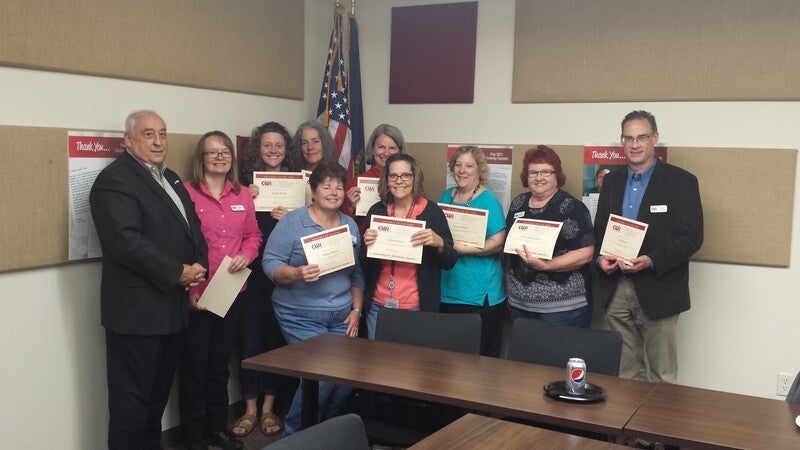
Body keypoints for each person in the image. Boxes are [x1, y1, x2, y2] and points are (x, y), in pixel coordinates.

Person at [90, 110, 208, 450]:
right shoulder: (115, 180)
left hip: (171, 310)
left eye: (163, 133)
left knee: (155, 401)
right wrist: (178, 272)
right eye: (148, 134)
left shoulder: (169, 177)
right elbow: (125, 242)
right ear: (128, 140)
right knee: (132, 406)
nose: (158, 141)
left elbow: (193, 227)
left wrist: (199, 262)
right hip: (136, 314)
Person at [594, 110, 703, 383]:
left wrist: (651, 260)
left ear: (655, 138)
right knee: (624, 373)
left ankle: (658, 427)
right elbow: (600, 229)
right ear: (622, 141)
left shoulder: (681, 182)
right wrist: (599, 258)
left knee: (662, 375)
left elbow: (691, 237)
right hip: (616, 287)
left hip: (659, 287)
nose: (635, 144)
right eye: (628, 138)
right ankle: (626, 425)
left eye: (641, 137)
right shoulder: (612, 182)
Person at [262, 162, 364, 435]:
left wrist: (357, 310)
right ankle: (295, 436)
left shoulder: (350, 226)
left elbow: (357, 272)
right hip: (299, 314)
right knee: (322, 376)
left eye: (339, 187)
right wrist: (295, 273)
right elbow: (270, 263)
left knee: (345, 380)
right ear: (314, 191)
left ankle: (323, 431)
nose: (333, 192)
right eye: (326, 186)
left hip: (341, 316)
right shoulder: (293, 222)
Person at [179, 131, 261, 450]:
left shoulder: (242, 194)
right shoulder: (186, 193)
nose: (219, 157)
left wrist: (247, 255)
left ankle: (217, 427)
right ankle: (192, 434)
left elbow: (253, 236)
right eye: (212, 152)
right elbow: (178, 243)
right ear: (201, 158)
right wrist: (187, 290)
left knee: (219, 365)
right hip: (197, 292)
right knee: (193, 366)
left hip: (231, 292)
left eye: (225, 151)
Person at [230, 122, 292, 438]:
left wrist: (293, 213)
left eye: (278, 145)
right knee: (249, 342)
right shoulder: (241, 186)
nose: (273, 151)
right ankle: (249, 409)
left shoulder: (301, 185)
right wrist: (247, 199)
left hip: (283, 277)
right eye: (267, 145)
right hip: (250, 277)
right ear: (257, 149)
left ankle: (269, 408)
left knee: (274, 342)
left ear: (286, 149)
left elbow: (311, 226)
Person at [362, 153, 458, 339]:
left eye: (406, 175)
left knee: (412, 365)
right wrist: (366, 246)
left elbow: (450, 261)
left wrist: (439, 243)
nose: (399, 181)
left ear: (415, 178)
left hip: (416, 307)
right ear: (386, 179)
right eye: (393, 176)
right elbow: (364, 265)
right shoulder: (377, 211)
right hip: (378, 306)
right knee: (377, 364)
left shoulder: (431, 212)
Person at [505, 145, 595, 328]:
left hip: (562, 309)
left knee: (559, 356)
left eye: (546, 171)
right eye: (533, 173)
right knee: (522, 357)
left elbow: (585, 253)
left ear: (556, 175)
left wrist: (547, 265)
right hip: (519, 305)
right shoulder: (518, 204)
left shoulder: (572, 207)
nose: (539, 178)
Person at [438, 146, 507, 357]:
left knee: (478, 362)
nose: (462, 170)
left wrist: (465, 249)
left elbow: (498, 242)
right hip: (448, 290)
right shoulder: (446, 196)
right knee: (450, 360)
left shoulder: (489, 200)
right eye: (458, 165)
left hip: (478, 296)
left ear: (480, 170)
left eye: (469, 165)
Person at [342, 123, 405, 226]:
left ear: (400, 151)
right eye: (381, 147)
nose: (386, 153)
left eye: (392, 148)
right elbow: (342, 224)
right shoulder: (356, 182)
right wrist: (349, 207)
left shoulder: (409, 181)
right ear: (372, 149)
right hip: (366, 238)